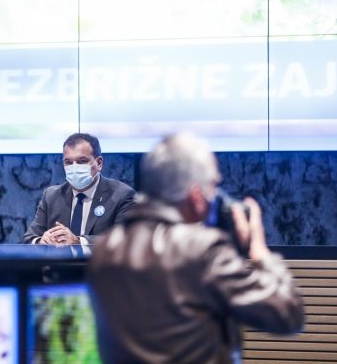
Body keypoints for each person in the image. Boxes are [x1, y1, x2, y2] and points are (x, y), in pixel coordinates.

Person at [89, 132, 304, 363]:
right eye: (213, 185)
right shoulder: (202, 249)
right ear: (196, 196)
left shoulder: (105, 249)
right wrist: (259, 251)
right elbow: (287, 315)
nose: (216, 196)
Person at [22, 133, 135, 245]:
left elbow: (124, 241)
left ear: (99, 163)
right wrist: (41, 241)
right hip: (59, 258)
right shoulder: (51, 196)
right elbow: (28, 239)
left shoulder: (122, 195)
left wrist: (79, 241)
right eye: (68, 162)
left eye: (82, 161)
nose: (74, 167)